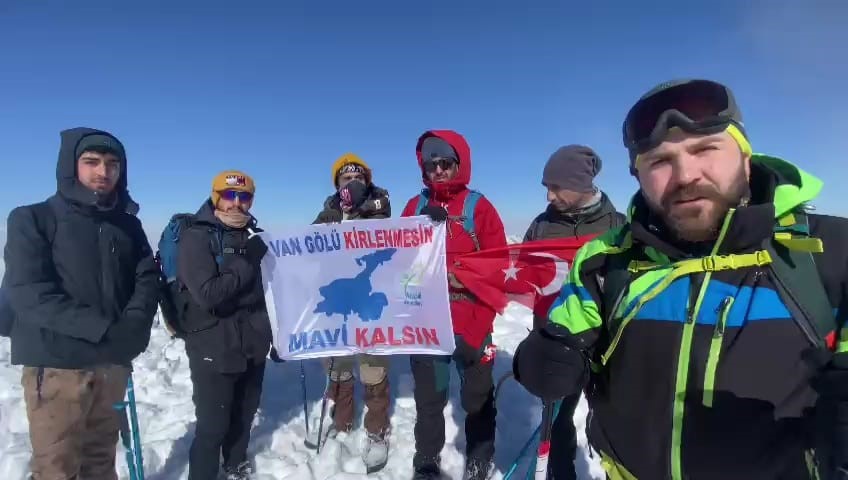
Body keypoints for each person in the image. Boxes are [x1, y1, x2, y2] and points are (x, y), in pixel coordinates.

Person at [513, 78, 848, 479]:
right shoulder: (605, 260)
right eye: (659, 161)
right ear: (637, 175)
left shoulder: (831, 254)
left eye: (705, 149)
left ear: (745, 157)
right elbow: (564, 333)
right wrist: (541, 359)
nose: (686, 174)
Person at [3, 127, 159, 480]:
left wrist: (133, 325)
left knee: (101, 460)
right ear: (71, 166)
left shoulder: (128, 226)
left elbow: (146, 278)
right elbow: (29, 293)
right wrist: (104, 330)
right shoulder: (33, 219)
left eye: (112, 164)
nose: (103, 172)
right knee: (56, 468)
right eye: (91, 162)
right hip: (58, 367)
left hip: (111, 365)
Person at [401, 130, 507, 480]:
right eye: (432, 165)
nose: (439, 170)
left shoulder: (480, 208)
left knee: (477, 397)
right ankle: (426, 462)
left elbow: (500, 267)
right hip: (428, 323)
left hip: (473, 318)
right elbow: (396, 262)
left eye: (446, 163)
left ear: (459, 164)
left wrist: (479, 321)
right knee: (429, 400)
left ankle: (479, 457)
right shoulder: (413, 209)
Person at [523, 144, 625, 479]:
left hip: (608, 345)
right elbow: (518, 271)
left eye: (555, 187)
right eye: (545, 187)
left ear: (581, 184)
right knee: (556, 418)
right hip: (557, 342)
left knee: (615, 419)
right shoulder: (540, 227)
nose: (549, 196)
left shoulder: (619, 227)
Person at [176, 170, 272, 480]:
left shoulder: (253, 235)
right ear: (216, 196)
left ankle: (235, 464)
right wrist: (248, 262)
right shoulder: (196, 236)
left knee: (244, 415)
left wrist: (279, 335)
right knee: (213, 425)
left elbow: (269, 294)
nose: (236, 203)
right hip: (213, 346)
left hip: (252, 343)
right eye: (229, 195)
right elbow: (208, 294)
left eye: (244, 197)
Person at [306, 152, 392, 473]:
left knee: (373, 369)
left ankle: (376, 429)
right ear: (337, 183)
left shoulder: (381, 210)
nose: (353, 184)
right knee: (338, 366)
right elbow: (308, 252)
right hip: (339, 305)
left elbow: (396, 243)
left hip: (370, 305)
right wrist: (323, 226)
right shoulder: (328, 212)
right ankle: (341, 422)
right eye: (346, 179)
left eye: (358, 179)